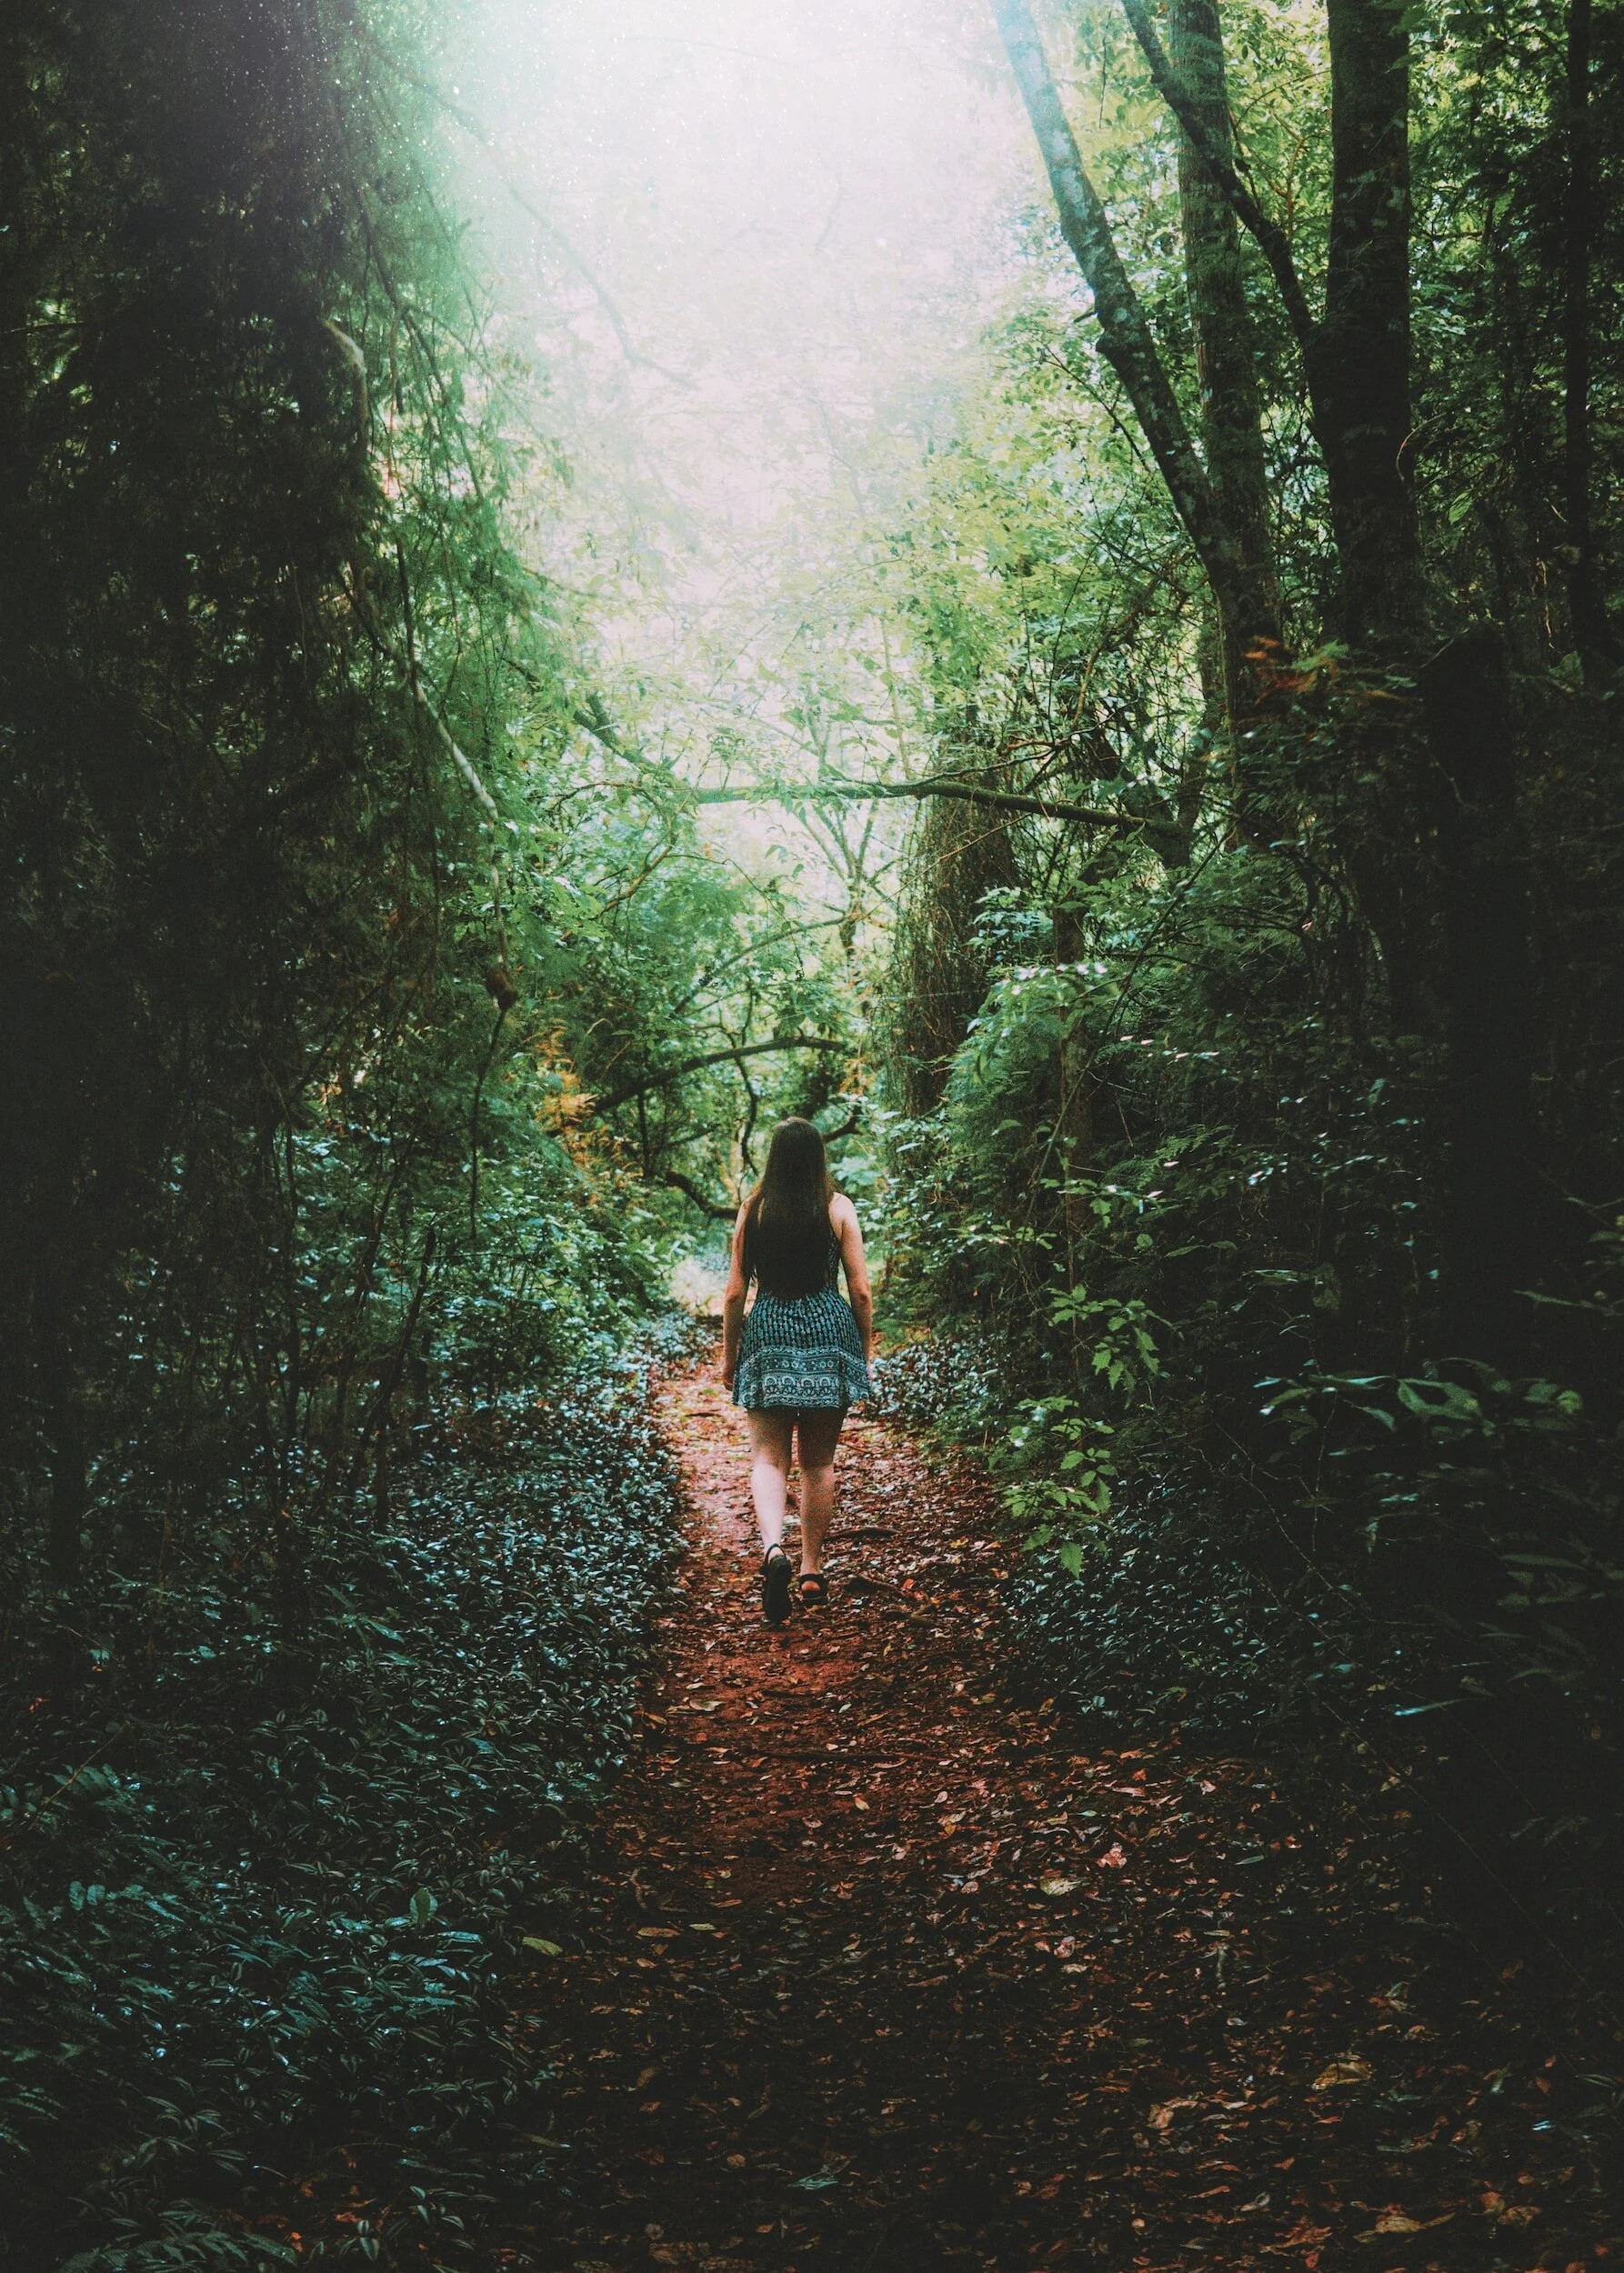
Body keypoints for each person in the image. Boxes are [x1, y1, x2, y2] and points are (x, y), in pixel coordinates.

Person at [720, 1116, 874, 1625]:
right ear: (817, 1157)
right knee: (818, 1462)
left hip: (767, 1334)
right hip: (828, 1335)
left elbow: (736, 1292)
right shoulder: (837, 1208)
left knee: (767, 1458)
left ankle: (771, 1550)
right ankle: (811, 1570)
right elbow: (860, 1289)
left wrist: (729, 1356)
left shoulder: (753, 1210)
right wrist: (862, 1349)